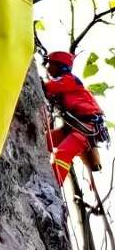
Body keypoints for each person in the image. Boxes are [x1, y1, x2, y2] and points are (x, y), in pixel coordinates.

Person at [43, 50, 106, 185]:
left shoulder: (69, 80)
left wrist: (39, 83)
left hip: (84, 128)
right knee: (41, 142)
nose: (47, 67)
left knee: (62, 154)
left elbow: (49, 87)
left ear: (60, 66)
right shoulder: (67, 83)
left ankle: (52, 187)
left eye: (50, 64)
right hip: (73, 128)